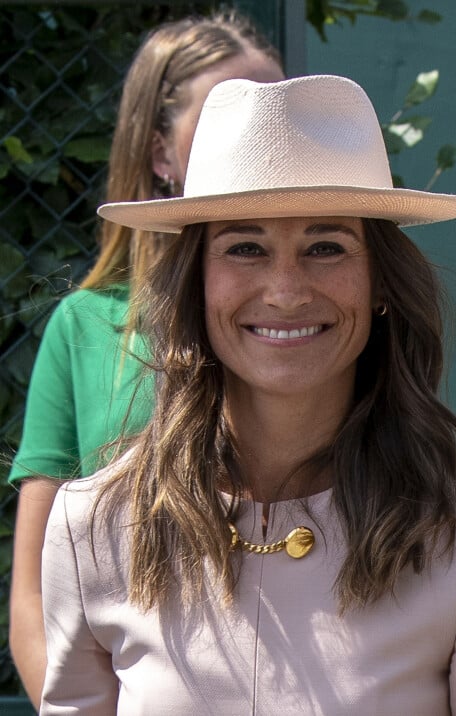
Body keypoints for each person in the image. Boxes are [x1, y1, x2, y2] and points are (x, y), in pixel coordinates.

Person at [40, 75, 456, 715]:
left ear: (379, 285)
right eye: (245, 248)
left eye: (325, 246)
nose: (286, 290)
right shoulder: (93, 527)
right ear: (196, 286)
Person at [8, 12, 284, 709]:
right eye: (232, 118)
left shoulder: (312, 321)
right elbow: (35, 589)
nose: (265, 141)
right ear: (161, 152)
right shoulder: (84, 325)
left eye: (281, 113)